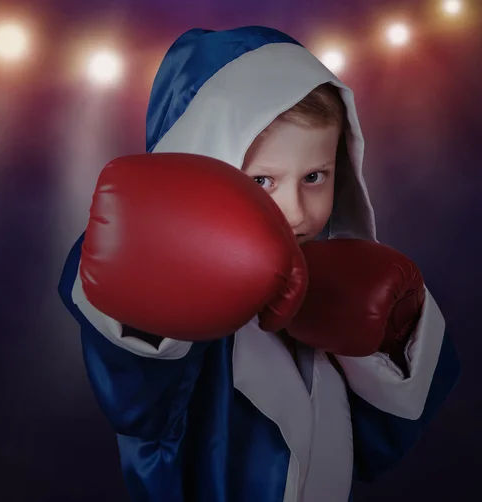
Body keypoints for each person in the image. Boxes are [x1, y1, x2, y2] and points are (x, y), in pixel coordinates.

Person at [58, 26, 461, 502]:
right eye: (263, 181)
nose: (295, 211)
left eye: (314, 176)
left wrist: (394, 334)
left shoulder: (332, 277)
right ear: (207, 166)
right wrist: (154, 289)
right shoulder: (173, 304)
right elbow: (137, 408)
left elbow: (380, 443)